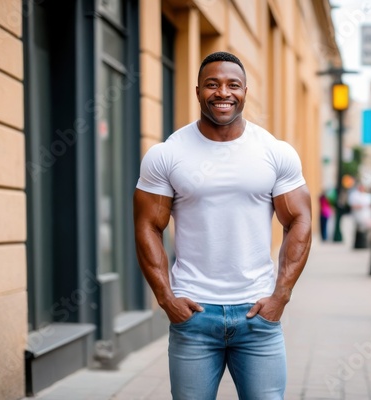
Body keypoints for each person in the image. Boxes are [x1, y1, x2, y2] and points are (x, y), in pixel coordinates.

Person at [133, 51, 312, 400]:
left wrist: (281, 296)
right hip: (194, 318)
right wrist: (166, 298)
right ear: (198, 90)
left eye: (233, 85)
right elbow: (147, 226)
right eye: (212, 84)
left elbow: (299, 220)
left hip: (257, 316)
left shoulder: (274, 152)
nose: (223, 93)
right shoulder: (168, 154)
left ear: (246, 90)